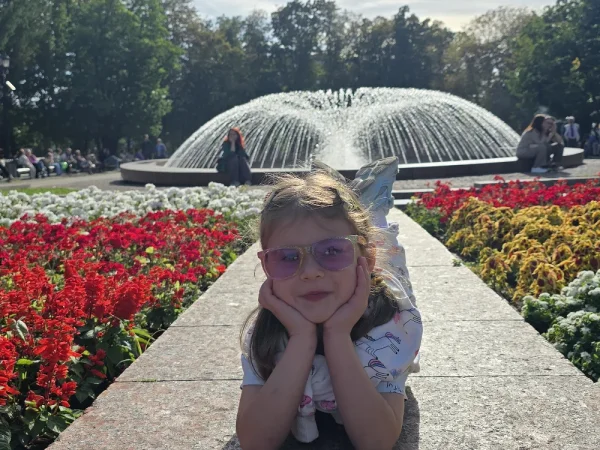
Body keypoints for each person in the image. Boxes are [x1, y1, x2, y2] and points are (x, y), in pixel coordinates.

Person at [237, 157, 422, 449]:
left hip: (379, 286)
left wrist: (337, 335)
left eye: (333, 251)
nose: (310, 272)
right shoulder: (265, 336)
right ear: (266, 268)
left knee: (389, 250)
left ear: (364, 261)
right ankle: (355, 204)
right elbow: (255, 441)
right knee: (366, 236)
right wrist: (301, 338)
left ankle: (373, 206)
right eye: (287, 257)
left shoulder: (391, 330)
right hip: (356, 266)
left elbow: (377, 441)